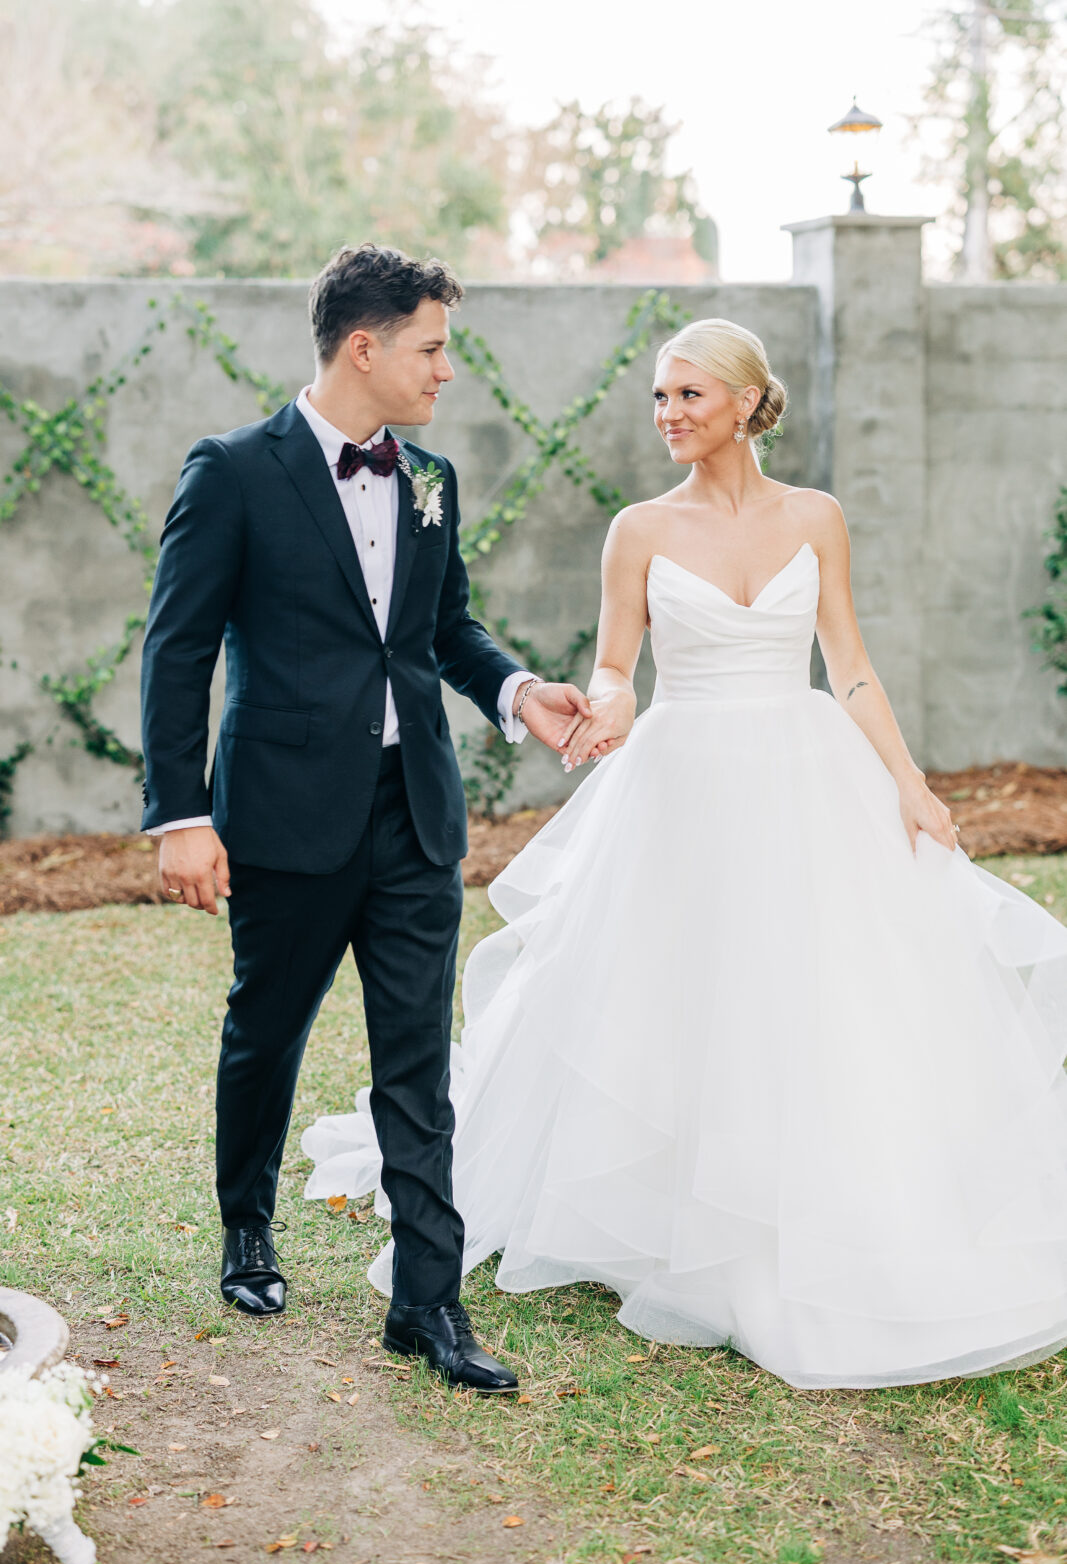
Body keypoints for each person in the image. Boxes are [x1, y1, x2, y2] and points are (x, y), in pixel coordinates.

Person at [302, 316, 1067, 1390]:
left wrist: (909, 785)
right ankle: (672, 1208)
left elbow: (847, 665)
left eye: (687, 396)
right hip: (681, 777)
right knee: (680, 990)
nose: (666, 415)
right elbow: (617, 663)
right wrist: (601, 707)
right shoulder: (638, 530)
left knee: (816, 992)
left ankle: (819, 1192)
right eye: (658, 397)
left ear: (748, 404)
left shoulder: (817, 518)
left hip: (804, 773)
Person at [139, 243, 595, 1395]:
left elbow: (445, 630)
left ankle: (426, 1304)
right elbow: (178, 650)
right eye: (432, 348)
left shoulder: (431, 479)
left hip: (414, 819)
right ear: (365, 346)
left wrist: (514, 691)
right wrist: (179, 814)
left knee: (416, 1062)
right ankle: (247, 1227)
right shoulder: (234, 471)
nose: (446, 370)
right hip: (284, 817)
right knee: (266, 1029)